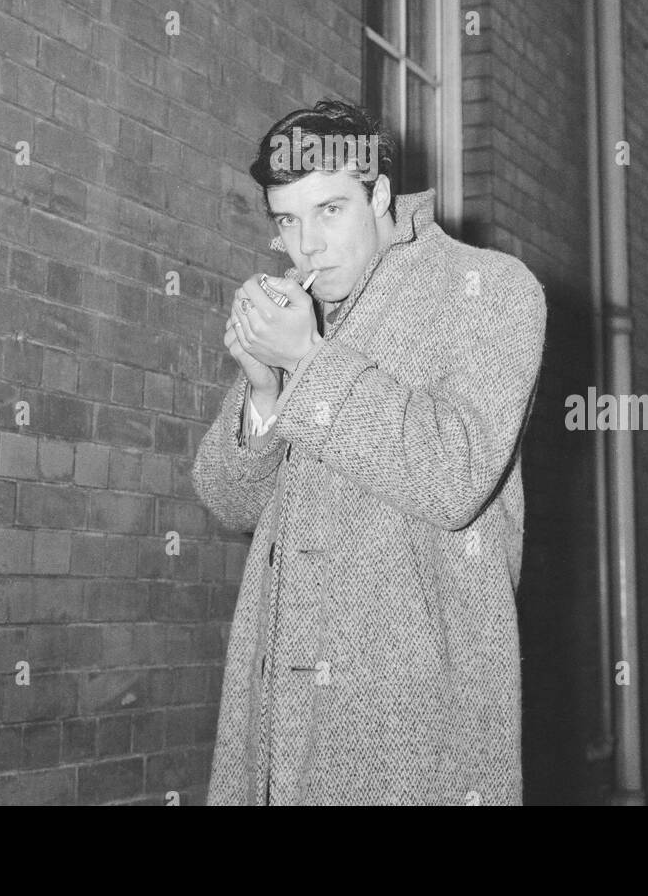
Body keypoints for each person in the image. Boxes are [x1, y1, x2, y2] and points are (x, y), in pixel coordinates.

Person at [192, 99, 546, 805]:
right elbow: (226, 503)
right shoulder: (310, 316)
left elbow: (454, 476)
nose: (307, 248)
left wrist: (309, 363)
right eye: (288, 221)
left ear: (380, 193)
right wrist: (264, 392)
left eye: (329, 211)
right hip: (277, 727)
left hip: (412, 731)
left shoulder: (492, 290)